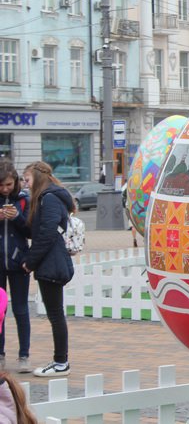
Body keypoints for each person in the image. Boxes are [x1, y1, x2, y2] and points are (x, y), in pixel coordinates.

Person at [21, 161, 75, 377]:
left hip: (51, 263)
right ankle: (60, 361)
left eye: (27, 180)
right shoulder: (48, 197)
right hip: (51, 262)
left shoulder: (49, 198)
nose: (25, 185)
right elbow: (37, 231)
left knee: (55, 314)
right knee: (56, 314)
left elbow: (46, 234)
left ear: (37, 178)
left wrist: (30, 262)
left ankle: (61, 362)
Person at [0, 160, 31, 373]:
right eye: (1, 185)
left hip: (19, 261)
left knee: (21, 309)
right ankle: (0, 354)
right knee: (0, 311)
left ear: (16, 182)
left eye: (9, 184)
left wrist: (17, 217)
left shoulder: (24, 200)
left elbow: (31, 231)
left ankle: (24, 355)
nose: (5, 189)